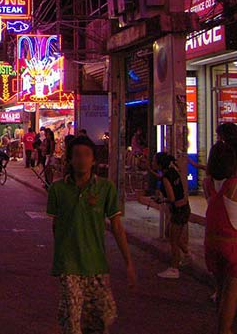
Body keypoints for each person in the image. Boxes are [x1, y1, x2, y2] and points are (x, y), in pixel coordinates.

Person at [47, 136, 136, 334]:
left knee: (99, 320)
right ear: (69, 159)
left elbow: (117, 226)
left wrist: (128, 262)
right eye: (77, 155)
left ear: (93, 160)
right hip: (69, 265)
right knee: (72, 320)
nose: (82, 160)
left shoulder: (105, 188)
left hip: (96, 263)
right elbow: (56, 225)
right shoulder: (57, 189)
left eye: (87, 155)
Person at [203, 140, 237, 331]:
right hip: (232, 246)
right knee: (230, 296)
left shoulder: (207, 183)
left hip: (212, 242)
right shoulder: (234, 186)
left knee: (221, 292)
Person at [155, 153, 192, 279]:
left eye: (154, 161)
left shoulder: (166, 177)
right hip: (184, 208)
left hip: (179, 210)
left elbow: (171, 197)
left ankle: (174, 268)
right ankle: (187, 255)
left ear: (159, 164)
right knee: (170, 233)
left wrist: (161, 200)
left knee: (173, 240)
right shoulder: (173, 171)